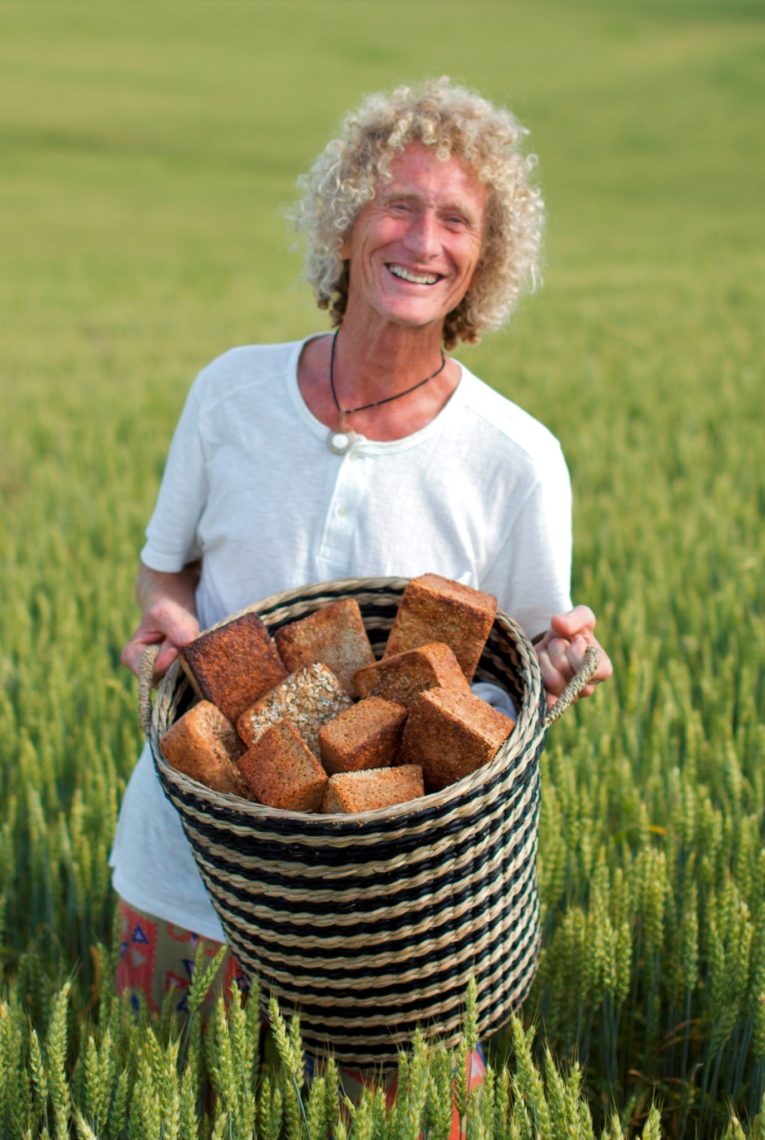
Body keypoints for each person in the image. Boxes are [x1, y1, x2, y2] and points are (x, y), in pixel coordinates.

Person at [113, 75, 612, 1105]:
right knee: (165, 1106)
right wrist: (165, 620)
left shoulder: (516, 457)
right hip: (192, 859)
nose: (422, 238)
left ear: (481, 261)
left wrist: (563, 665)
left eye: (455, 219)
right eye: (399, 202)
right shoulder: (230, 395)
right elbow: (169, 571)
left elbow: (513, 676)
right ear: (345, 223)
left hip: (393, 928)